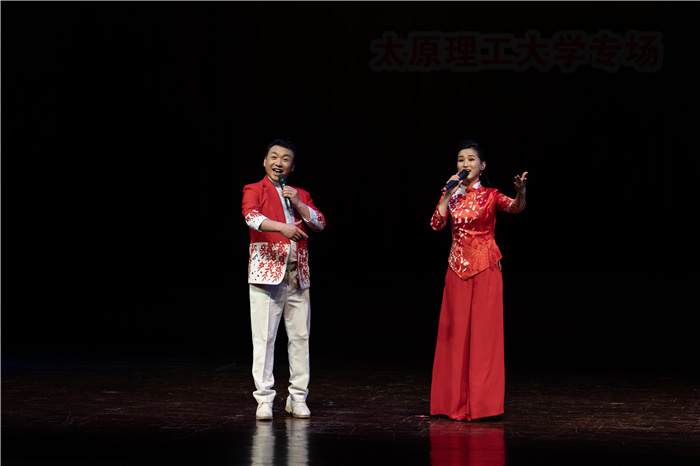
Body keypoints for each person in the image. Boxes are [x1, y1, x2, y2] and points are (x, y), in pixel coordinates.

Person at [429, 139, 527, 421]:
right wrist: (447, 194)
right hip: (457, 269)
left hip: (485, 268)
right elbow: (436, 224)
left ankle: (483, 406)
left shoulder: (492, 195)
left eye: (471, 159)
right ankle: (453, 404)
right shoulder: (452, 194)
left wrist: (521, 193)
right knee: (455, 336)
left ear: (482, 166)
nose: (465, 164)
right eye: (461, 159)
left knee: (484, 337)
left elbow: (515, 207)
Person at [241, 139, 326, 420]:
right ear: (265, 162)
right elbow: (251, 217)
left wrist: (298, 202)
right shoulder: (254, 189)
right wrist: (282, 228)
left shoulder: (300, 193)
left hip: (297, 275)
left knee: (300, 338)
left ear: (292, 166)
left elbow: (319, 223)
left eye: (285, 159)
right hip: (267, 274)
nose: (279, 162)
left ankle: (297, 397)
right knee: (264, 339)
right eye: (274, 157)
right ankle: (264, 399)